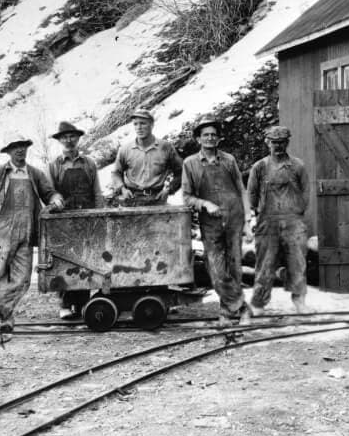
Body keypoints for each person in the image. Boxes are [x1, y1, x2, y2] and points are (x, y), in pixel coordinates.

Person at [0, 132, 63, 336]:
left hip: (25, 233)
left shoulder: (35, 174)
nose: (20, 150)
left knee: (22, 280)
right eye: (15, 147)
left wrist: (55, 199)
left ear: (27, 148)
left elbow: (49, 193)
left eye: (23, 146)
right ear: (8, 151)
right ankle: (6, 321)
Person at [181, 116, 252, 327]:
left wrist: (247, 221)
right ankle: (242, 307)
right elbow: (186, 197)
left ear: (218, 138)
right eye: (205, 135)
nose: (210, 138)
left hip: (234, 220)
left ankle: (226, 312)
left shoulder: (228, 160)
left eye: (213, 134)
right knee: (216, 270)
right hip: (210, 224)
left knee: (234, 269)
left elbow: (241, 190)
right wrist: (204, 204)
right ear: (198, 139)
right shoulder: (190, 163)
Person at [247, 125, 313, 315]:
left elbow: (306, 192)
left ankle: (299, 301)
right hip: (267, 221)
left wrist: (296, 213)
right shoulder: (259, 167)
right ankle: (259, 303)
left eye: (282, 142)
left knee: (297, 262)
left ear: (287, 142)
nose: (278, 146)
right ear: (267, 142)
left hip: (293, 221)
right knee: (265, 264)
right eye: (274, 142)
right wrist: (257, 213)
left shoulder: (298, 166)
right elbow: (251, 193)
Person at [47, 121, 105, 319]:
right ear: (60, 141)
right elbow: (49, 192)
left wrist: (100, 216)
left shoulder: (89, 163)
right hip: (65, 221)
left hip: (88, 219)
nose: (69, 140)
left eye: (72, 136)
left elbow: (97, 192)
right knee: (66, 262)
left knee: (87, 260)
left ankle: (83, 304)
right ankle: (65, 304)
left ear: (78, 138)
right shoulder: (54, 166)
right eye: (64, 137)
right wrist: (55, 201)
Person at [110, 105, 182, 206]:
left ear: (152, 125)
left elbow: (181, 172)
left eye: (143, 124)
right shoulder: (125, 149)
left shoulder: (166, 147)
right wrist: (122, 189)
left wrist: (169, 189)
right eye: (135, 124)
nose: (139, 128)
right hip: (132, 200)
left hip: (157, 199)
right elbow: (116, 173)